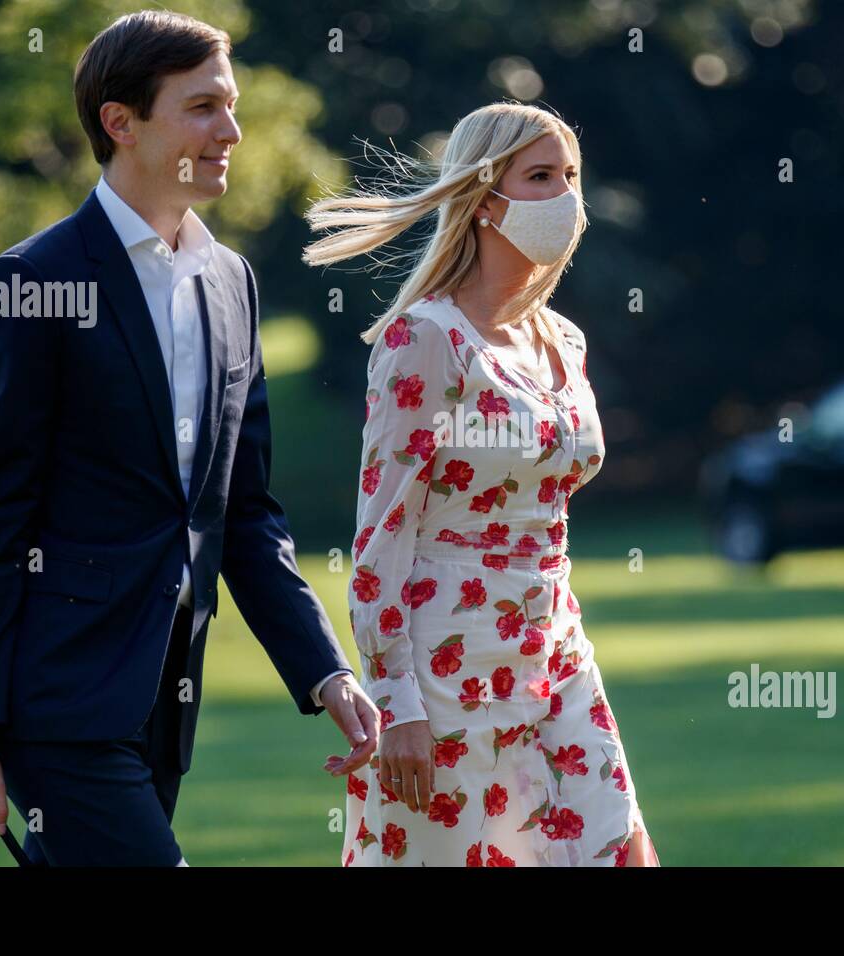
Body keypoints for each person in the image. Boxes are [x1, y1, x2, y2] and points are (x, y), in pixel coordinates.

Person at [0, 10, 378, 866]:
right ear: (121, 122)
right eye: (204, 107)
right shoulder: (30, 284)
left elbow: (244, 514)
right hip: (55, 701)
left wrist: (327, 672)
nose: (232, 131)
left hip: (165, 702)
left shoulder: (231, 282)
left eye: (232, 105)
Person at [303, 102, 660, 866]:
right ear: (485, 196)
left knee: (618, 850)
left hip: (555, 644)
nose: (566, 196)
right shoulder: (425, 338)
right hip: (447, 674)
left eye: (571, 176)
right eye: (540, 177)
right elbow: (381, 537)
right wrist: (394, 704)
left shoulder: (564, 339)